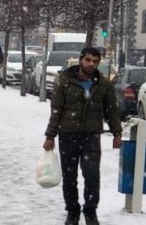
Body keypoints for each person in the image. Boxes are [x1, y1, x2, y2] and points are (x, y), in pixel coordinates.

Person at [42, 47, 122, 225]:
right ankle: (72, 211)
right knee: (70, 177)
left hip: (91, 137)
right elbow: (56, 110)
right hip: (67, 135)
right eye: (88, 60)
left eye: (95, 61)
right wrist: (50, 136)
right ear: (80, 60)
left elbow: (112, 112)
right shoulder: (65, 81)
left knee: (92, 175)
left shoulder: (104, 85)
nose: (91, 64)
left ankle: (90, 211)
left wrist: (117, 133)